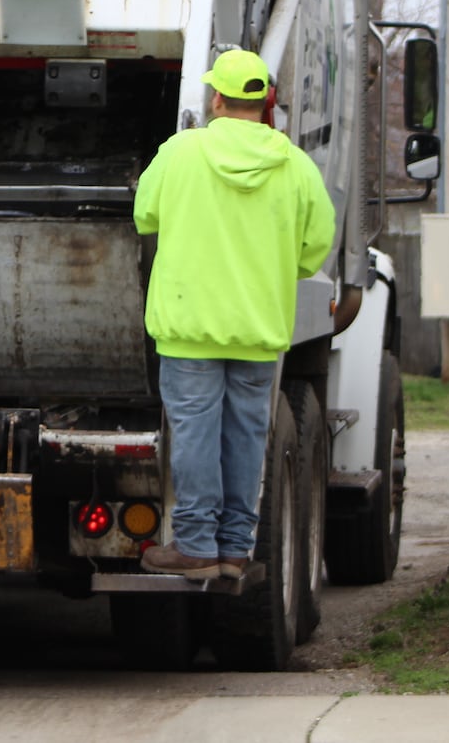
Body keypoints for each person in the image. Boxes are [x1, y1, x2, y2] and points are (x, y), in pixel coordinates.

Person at [133, 49, 335, 579]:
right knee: (247, 436)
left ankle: (196, 545)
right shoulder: (295, 165)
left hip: (189, 327)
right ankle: (234, 547)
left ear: (217, 98)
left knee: (196, 434)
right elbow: (315, 248)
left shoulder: (182, 151)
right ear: (267, 101)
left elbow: (144, 216)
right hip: (257, 328)